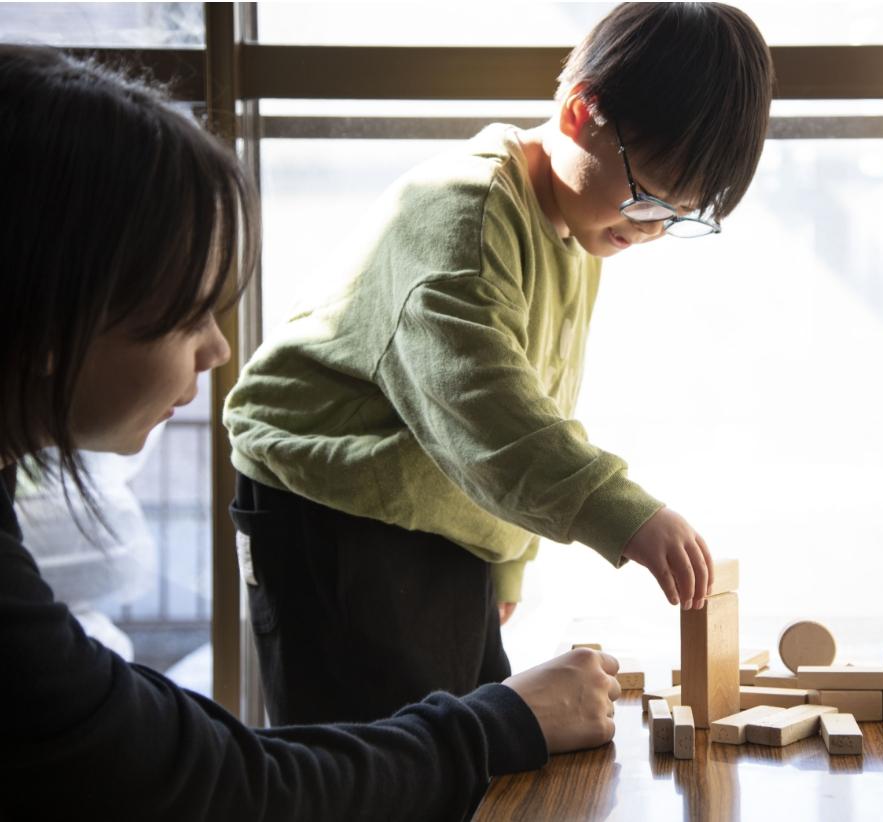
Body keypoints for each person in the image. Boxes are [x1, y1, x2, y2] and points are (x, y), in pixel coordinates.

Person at [0, 44, 620, 821]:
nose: (218, 350)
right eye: (188, 314)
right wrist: (505, 720)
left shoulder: (574, 242)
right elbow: (210, 783)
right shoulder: (469, 205)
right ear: (54, 315)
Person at [224, 1, 773, 727]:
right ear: (583, 114)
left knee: (464, 743)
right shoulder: (465, 214)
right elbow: (486, 408)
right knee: (374, 761)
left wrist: (506, 556)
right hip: (331, 500)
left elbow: (540, 398)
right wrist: (628, 514)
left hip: (434, 504)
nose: (653, 231)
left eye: (680, 216)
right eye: (648, 200)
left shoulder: (581, 224)